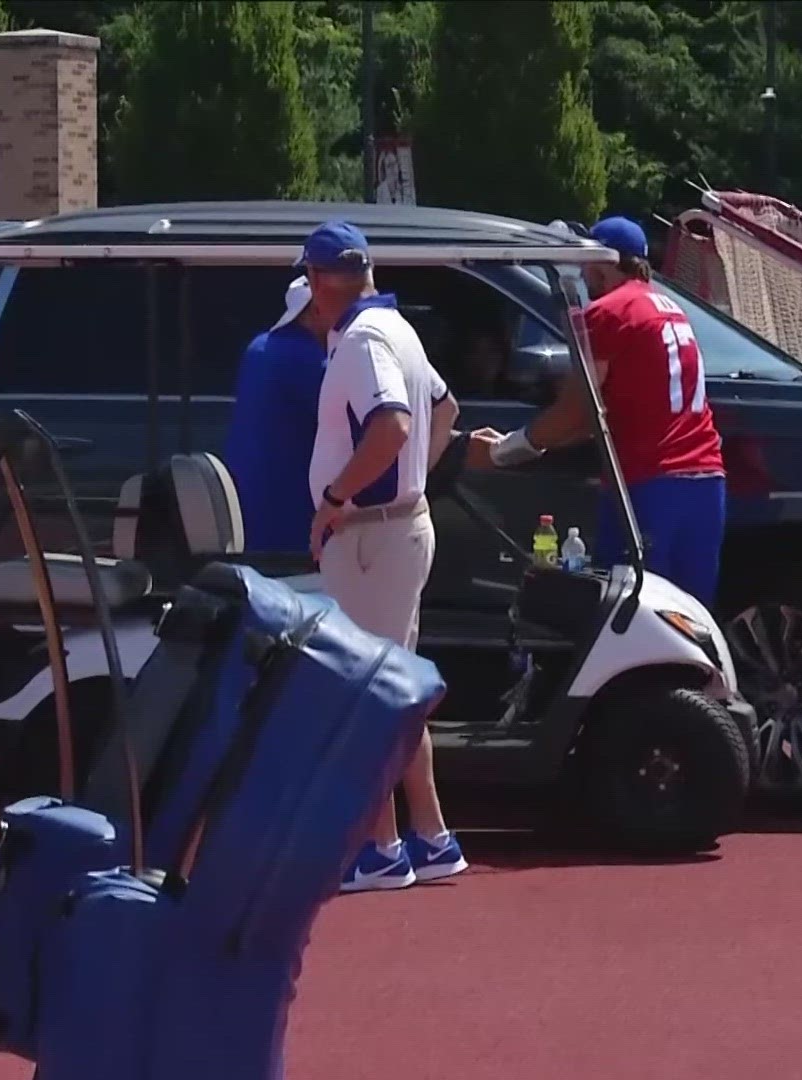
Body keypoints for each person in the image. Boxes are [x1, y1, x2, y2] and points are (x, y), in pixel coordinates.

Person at [297, 220, 483, 892]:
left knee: (367, 693)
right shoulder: (392, 328)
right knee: (395, 689)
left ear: (320, 281)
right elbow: (446, 407)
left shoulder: (366, 336)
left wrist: (340, 496)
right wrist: (412, 482)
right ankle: (428, 836)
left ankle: (383, 846)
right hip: (396, 524)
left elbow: (395, 422)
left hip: (374, 532)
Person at [475, 216, 728, 608]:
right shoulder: (670, 307)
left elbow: (578, 412)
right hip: (705, 482)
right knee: (691, 616)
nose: (581, 271)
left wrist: (502, 451)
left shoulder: (610, 311)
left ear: (605, 260)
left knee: (632, 614)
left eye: (586, 259)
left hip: (650, 483)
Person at [223, 276, 329, 552]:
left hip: (248, 485)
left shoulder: (259, 346)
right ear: (315, 310)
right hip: (289, 491)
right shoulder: (308, 357)